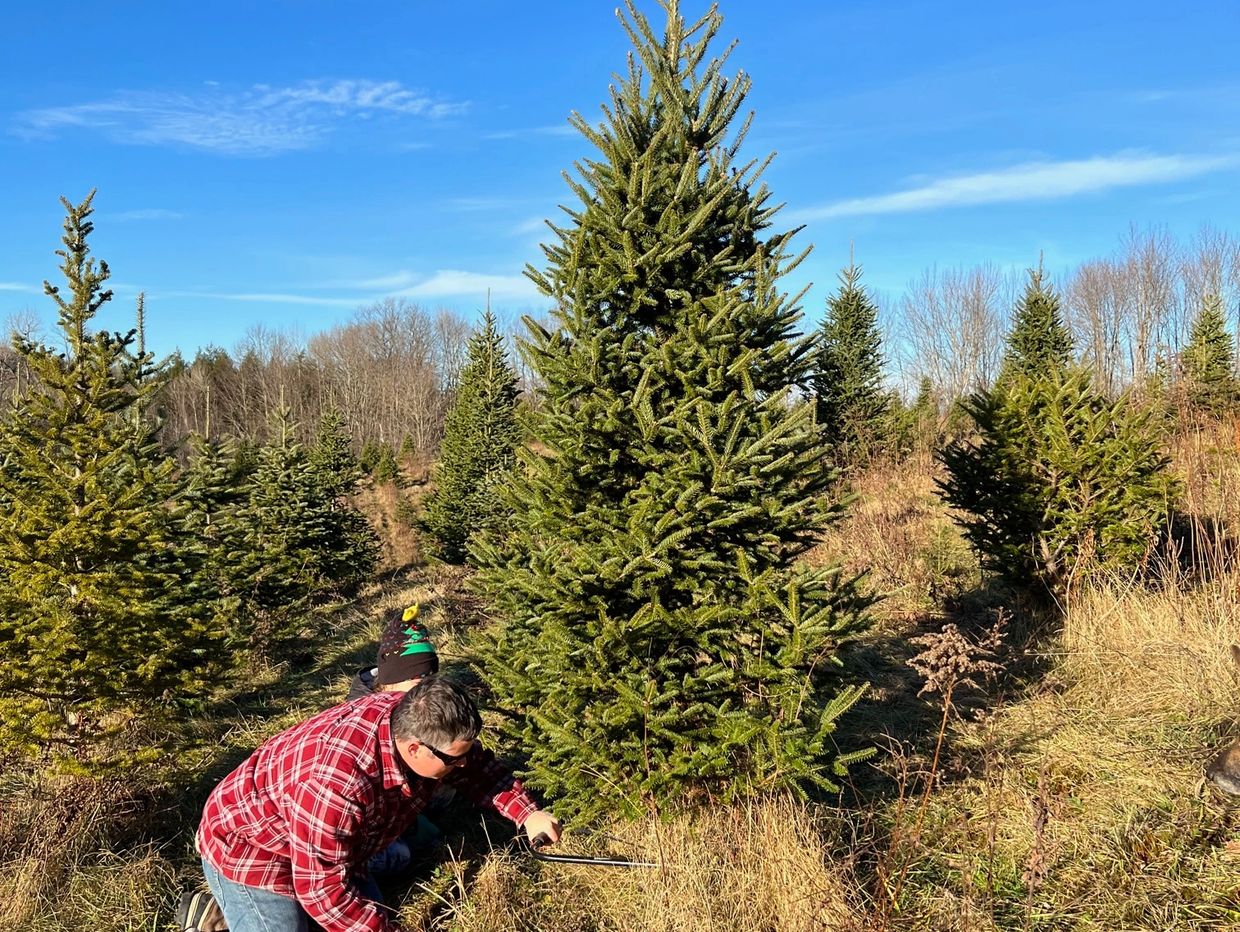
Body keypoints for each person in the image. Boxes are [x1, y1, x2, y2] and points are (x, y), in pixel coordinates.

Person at [195, 674, 561, 932]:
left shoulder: (419, 721)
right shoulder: (339, 782)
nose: (462, 765)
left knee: (369, 914)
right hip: (251, 846)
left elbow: (477, 769)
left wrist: (527, 813)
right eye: (454, 760)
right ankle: (219, 914)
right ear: (414, 748)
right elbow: (323, 890)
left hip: (328, 848)